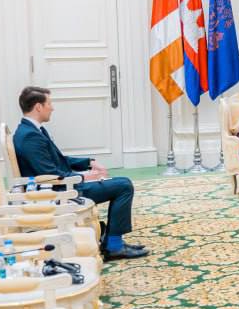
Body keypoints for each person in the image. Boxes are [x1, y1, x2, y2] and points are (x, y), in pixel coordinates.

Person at [12, 86, 147, 260]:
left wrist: (88, 162)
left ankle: (113, 241)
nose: (52, 108)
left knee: (121, 182)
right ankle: (114, 246)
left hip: (63, 185)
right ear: (38, 107)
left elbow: (59, 160)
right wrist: (84, 177)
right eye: (49, 103)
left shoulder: (33, 131)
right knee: (124, 186)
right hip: (60, 191)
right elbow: (50, 174)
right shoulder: (30, 136)